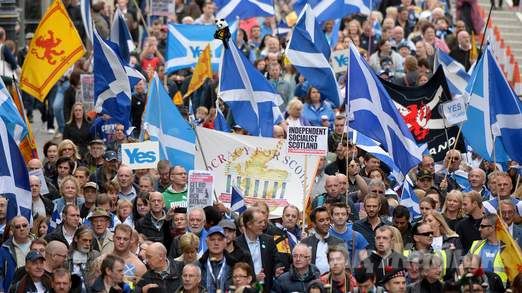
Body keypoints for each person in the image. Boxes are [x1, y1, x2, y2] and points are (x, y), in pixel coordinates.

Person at [236, 208, 282, 292]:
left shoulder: (269, 240)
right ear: (249, 224)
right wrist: (253, 278)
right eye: (260, 222)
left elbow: (277, 259)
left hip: (266, 288)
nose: (264, 225)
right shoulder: (237, 244)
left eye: (264, 222)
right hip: (245, 289)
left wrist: (277, 269)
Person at [301, 207, 345, 274]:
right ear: (314, 224)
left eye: (327, 219)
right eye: (321, 220)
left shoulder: (338, 243)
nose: (326, 223)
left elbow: (344, 266)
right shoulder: (305, 243)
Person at [469, 214, 507, 286]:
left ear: (492, 228)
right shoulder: (476, 245)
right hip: (477, 289)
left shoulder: (506, 248)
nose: (479, 229)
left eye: (482, 226)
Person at [328, 203, 368, 267]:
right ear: (331, 216)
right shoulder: (326, 235)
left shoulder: (357, 236)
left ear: (347, 216)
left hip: (350, 273)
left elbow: (365, 260)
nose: (340, 217)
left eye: (343, 214)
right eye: (337, 214)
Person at [199, 226, 234, 292]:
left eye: (220, 239)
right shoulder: (198, 265)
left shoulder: (234, 265)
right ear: (206, 241)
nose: (216, 243)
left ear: (225, 242)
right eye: (212, 239)